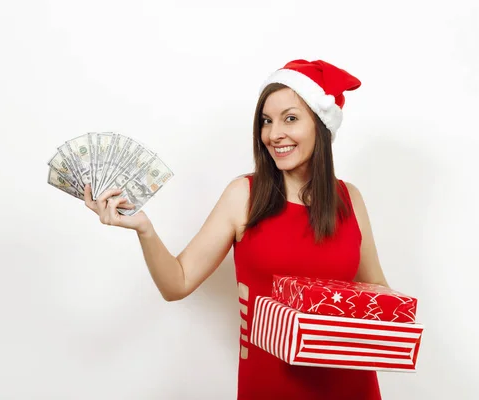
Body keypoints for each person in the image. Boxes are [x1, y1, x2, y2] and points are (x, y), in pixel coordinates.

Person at [84, 59, 389, 400]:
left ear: (321, 125)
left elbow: (377, 287)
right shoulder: (244, 195)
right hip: (271, 388)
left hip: (351, 387)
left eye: (290, 118)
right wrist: (144, 229)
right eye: (266, 121)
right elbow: (178, 282)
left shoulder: (350, 199)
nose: (274, 134)